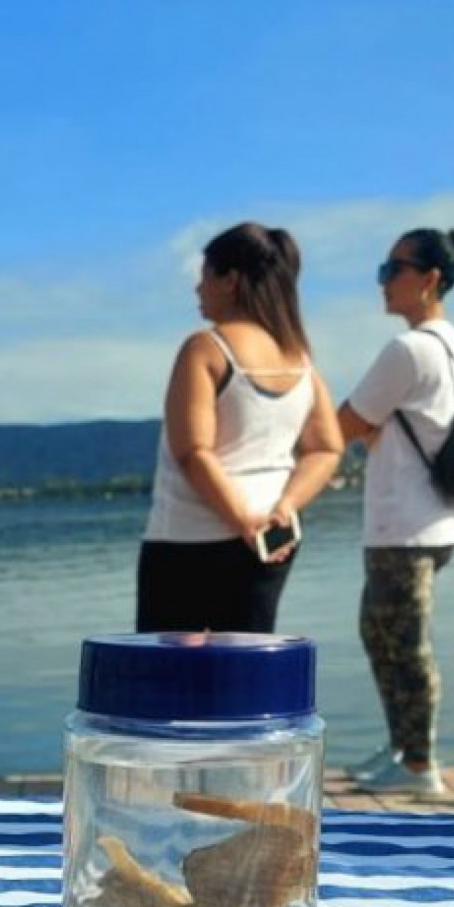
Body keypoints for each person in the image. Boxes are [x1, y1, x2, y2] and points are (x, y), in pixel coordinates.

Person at [137, 222, 342, 634]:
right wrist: (284, 507)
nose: (198, 290)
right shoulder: (298, 358)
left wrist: (242, 520)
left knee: (170, 686)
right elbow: (327, 448)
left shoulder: (206, 348)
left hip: (189, 542)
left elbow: (193, 451)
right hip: (272, 542)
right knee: (244, 677)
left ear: (230, 281)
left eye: (205, 277)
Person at [338, 228, 454, 799]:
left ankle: (420, 764)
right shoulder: (446, 343)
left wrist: (364, 425)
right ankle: (403, 747)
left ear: (429, 279)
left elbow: (343, 423)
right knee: (381, 634)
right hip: (431, 519)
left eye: (394, 269)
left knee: (404, 641)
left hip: (407, 523)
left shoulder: (409, 349)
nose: (383, 281)